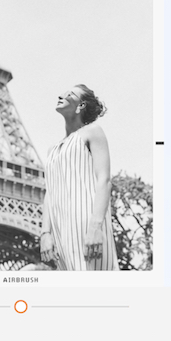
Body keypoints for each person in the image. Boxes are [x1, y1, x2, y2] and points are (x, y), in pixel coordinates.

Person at [40, 84, 118, 271]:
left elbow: (104, 180)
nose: (61, 94)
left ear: (81, 105)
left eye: (70, 93)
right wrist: (45, 233)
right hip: (61, 229)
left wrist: (96, 225)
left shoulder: (92, 132)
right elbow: (50, 192)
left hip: (86, 222)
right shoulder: (52, 149)